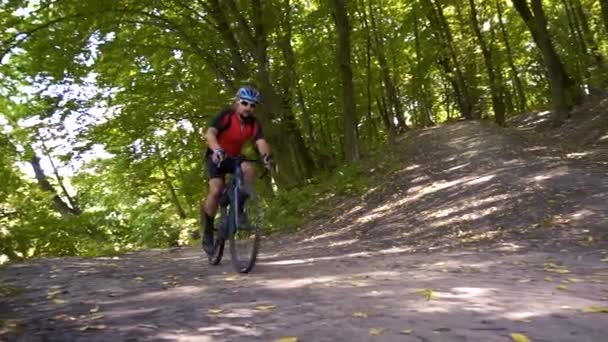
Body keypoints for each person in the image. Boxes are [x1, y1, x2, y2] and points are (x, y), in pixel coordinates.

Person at [201, 86, 272, 256]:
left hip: (234, 157)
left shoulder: (253, 123)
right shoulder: (226, 116)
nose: (248, 107)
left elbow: (260, 141)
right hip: (216, 156)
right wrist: (217, 149)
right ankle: (208, 231)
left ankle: (238, 211)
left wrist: (266, 157)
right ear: (237, 102)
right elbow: (210, 133)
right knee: (216, 190)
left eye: (252, 105)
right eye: (245, 103)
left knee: (249, 168)